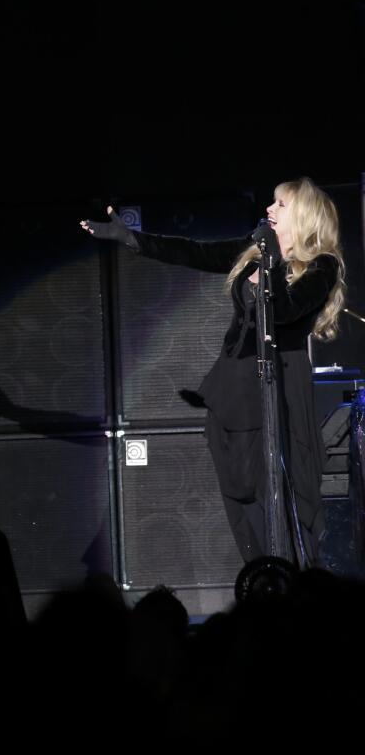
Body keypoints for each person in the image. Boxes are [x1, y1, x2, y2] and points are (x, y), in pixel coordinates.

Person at [82, 178, 345, 566]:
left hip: (278, 383)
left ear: (304, 215)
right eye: (271, 203)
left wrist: (271, 263)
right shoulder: (255, 252)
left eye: (280, 205)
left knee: (280, 494)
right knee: (242, 495)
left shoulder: (321, 265)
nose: (269, 210)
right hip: (235, 385)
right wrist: (131, 238)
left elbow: (286, 310)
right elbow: (195, 252)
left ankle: (293, 584)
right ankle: (262, 578)